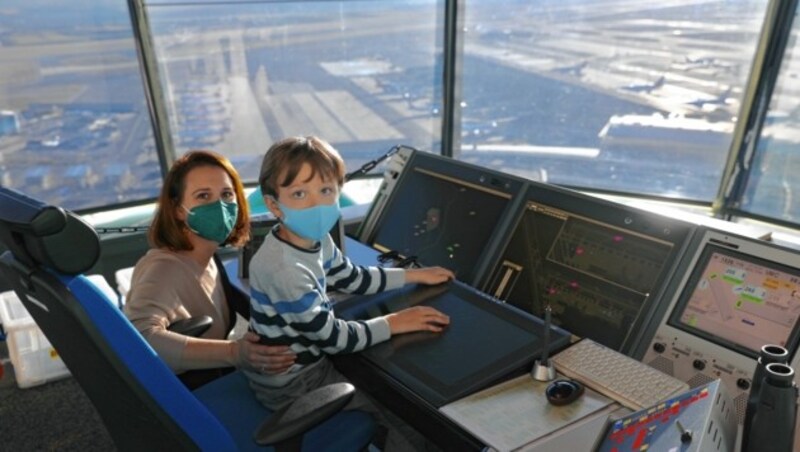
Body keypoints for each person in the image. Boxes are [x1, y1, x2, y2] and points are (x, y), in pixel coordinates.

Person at [246, 136, 455, 449]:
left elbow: (351, 277)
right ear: (274, 204)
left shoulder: (313, 238)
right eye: (300, 193)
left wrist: (413, 275)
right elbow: (334, 339)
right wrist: (396, 321)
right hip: (293, 384)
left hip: (305, 364)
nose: (317, 204)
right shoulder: (284, 269)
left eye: (326, 190)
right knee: (400, 415)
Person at [125, 150, 296, 389]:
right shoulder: (164, 268)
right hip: (190, 394)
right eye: (203, 196)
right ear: (177, 209)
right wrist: (235, 352)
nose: (219, 206)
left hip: (209, 376)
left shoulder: (206, 256)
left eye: (227, 194)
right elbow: (138, 342)